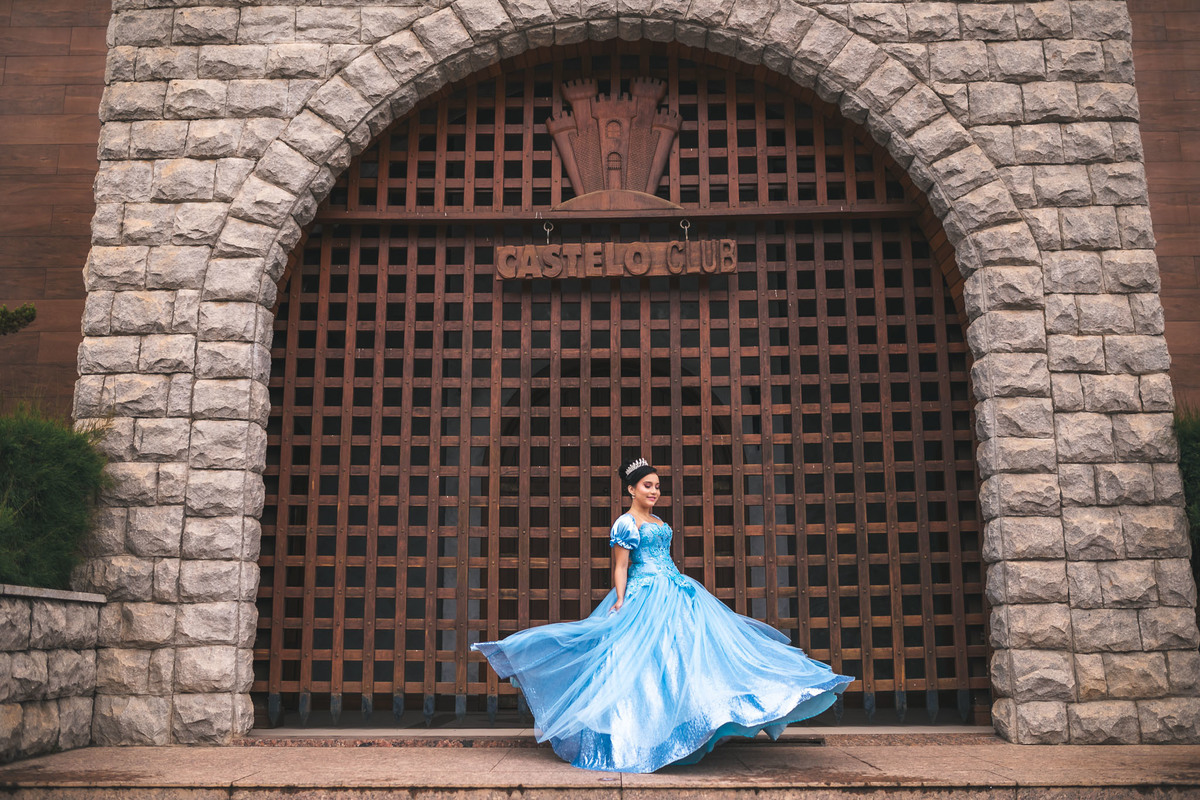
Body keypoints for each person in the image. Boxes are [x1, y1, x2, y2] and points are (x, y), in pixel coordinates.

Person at [472, 457, 853, 773]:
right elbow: (620, 566)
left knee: (692, 657)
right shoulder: (626, 523)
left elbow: (663, 557)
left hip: (677, 590)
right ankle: (635, 737)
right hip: (643, 594)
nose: (654, 491)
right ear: (632, 490)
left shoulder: (658, 522)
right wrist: (621, 600)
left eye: (657, 486)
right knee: (633, 667)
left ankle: (688, 727)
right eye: (647, 486)